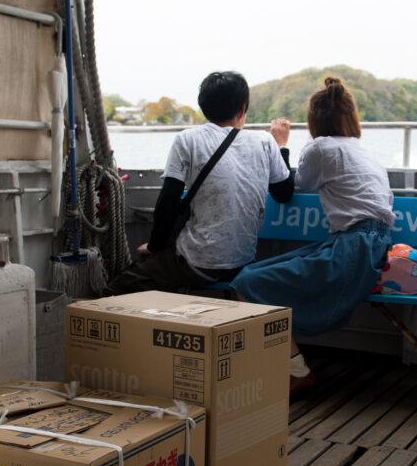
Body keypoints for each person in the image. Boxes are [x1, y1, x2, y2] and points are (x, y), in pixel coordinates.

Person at [231, 76, 395, 394]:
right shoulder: (365, 151)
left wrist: (279, 146)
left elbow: (299, 183)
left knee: (247, 282)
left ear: (314, 120)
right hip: (373, 246)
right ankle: (289, 368)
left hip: (351, 248)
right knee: (252, 279)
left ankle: (297, 372)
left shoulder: (320, 148)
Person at [104, 71, 294, 295]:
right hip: (242, 261)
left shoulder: (188, 139)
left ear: (203, 106)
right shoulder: (265, 141)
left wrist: (154, 247)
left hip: (198, 263)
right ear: (243, 109)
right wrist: (281, 146)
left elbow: (168, 201)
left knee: (117, 289)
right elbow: (284, 193)